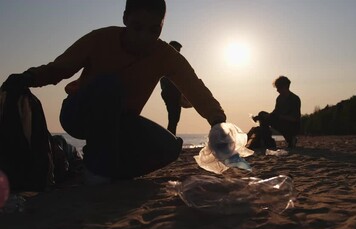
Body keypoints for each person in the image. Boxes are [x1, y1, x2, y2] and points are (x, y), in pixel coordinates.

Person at [1, 0, 226, 183]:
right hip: (79, 113)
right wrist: (29, 77)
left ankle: (96, 167)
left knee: (170, 147)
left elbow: (194, 87)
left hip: (122, 122)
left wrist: (217, 120)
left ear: (161, 27)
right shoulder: (100, 39)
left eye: (153, 30)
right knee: (110, 84)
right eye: (137, 27)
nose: (144, 37)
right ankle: (97, 170)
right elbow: (60, 68)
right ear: (125, 18)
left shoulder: (165, 55)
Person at [252, 76, 301, 149]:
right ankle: (268, 142)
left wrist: (280, 116)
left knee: (273, 119)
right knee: (262, 114)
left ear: (285, 87)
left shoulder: (294, 99)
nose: (277, 90)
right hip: (280, 120)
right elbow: (275, 112)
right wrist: (263, 116)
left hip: (292, 125)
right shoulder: (279, 98)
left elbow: (295, 118)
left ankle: (291, 139)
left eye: (279, 88)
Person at [160, 40, 183, 135]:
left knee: (174, 119)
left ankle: (171, 139)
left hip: (171, 93)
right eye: (177, 49)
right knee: (173, 119)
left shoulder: (169, 60)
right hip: (170, 93)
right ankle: (170, 140)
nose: (178, 52)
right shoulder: (167, 60)